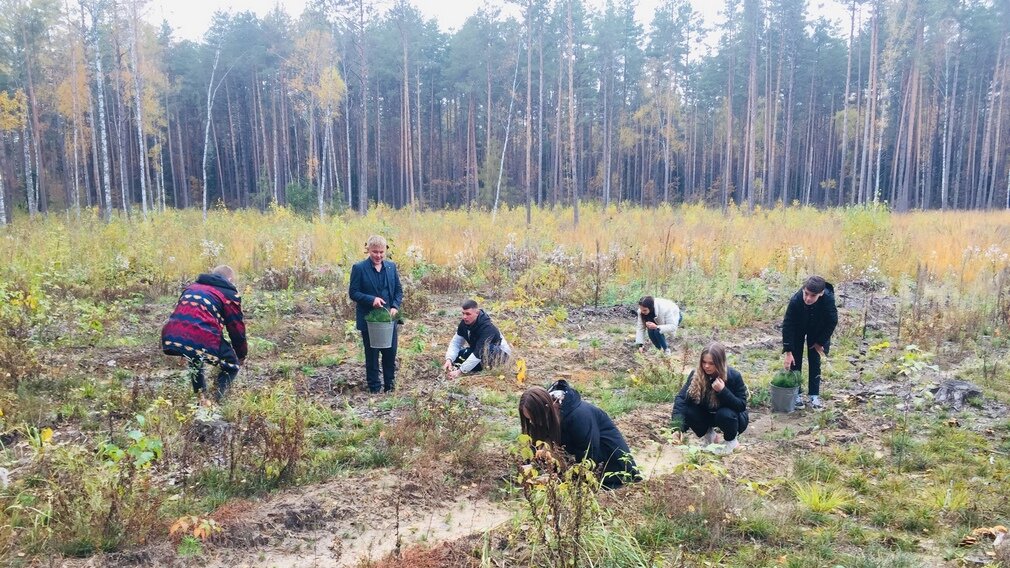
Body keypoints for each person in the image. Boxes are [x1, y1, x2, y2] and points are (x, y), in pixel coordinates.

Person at [519, 380, 641, 489]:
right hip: (580, 458)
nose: (532, 422)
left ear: (546, 409)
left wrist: (562, 478)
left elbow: (589, 456)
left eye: (534, 418)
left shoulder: (579, 416)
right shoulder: (549, 412)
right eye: (528, 419)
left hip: (610, 466)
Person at [161, 265, 247, 402]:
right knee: (232, 365)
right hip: (202, 336)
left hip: (171, 334)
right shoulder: (228, 294)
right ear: (229, 279)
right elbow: (236, 327)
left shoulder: (191, 288)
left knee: (195, 358)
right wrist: (241, 354)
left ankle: (201, 398)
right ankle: (218, 400)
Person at [671, 342, 748, 454]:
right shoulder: (696, 375)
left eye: (711, 363)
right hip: (707, 415)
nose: (706, 366)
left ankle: (731, 442)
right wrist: (677, 427)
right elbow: (681, 399)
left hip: (732, 419)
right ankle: (710, 436)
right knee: (688, 409)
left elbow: (741, 405)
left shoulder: (733, 376)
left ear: (720, 363)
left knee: (725, 414)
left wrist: (723, 391)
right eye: (704, 362)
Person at [349, 235, 403, 394]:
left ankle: (390, 387)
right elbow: (353, 293)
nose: (378, 255)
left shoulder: (391, 267)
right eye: (374, 252)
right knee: (371, 355)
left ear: (385, 250)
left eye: (381, 252)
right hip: (369, 319)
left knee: (390, 353)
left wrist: (394, 306)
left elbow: (398, 291)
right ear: (368, 250)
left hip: (388, 319)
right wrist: (371, 300)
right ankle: (374, 388)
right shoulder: (359, 268)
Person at [781, 275, 838, 410]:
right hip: (798, 328)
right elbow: (788, 324)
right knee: (795, 360)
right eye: (806, 293)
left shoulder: (828, 299)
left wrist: (820, 342)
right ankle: (797, 394)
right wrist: (788, 351)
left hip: (818, 330)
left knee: (815, 360)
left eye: (813, 295)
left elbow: (832, 321)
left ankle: (814, 395)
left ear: (821, 293)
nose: (808, 298)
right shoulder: (796, 300)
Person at [442, 299, 513, 379]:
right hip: (478, 352)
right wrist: (449, 359)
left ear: (477, 313)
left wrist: (460, 372)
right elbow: (456, 343)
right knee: (458, 357)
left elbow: (479, 353)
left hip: (499, 356)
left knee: (487, 350)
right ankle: (469, 367)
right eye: (463, 313)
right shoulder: (464, 323)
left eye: (468, 314)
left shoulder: (487, 327)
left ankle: (486, 370)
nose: (464, 317)